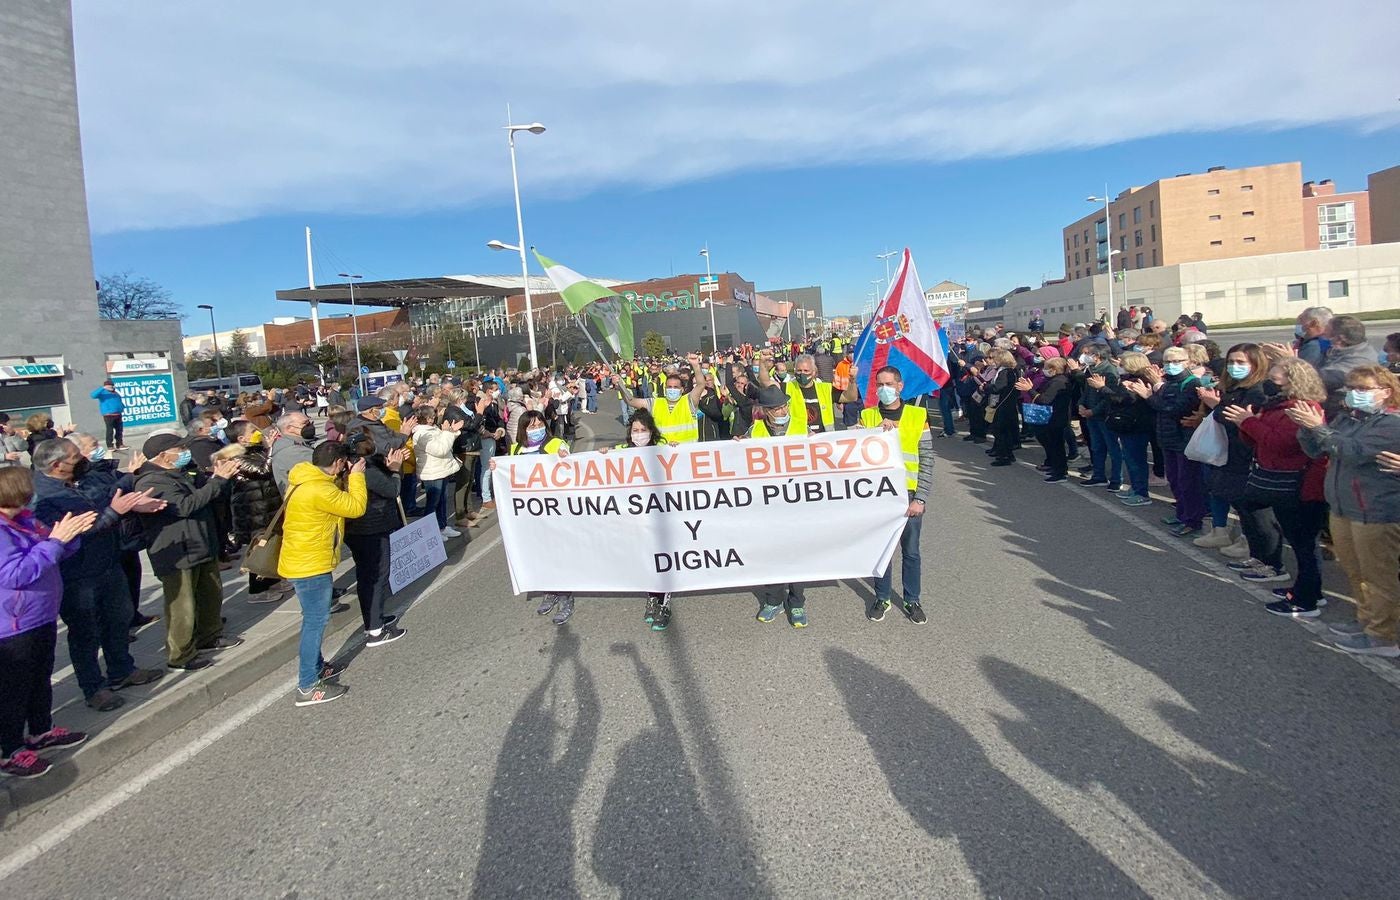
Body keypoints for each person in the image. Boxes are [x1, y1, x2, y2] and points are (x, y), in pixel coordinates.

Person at [31, 439, 168, 711]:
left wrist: (131, 498)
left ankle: (122, 670)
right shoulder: (44, 497)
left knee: (119, 619)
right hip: (77, 575)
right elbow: (74, 534)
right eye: (74, 456)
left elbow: (107, 497)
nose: (82, 457)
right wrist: (114, 513)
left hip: (108, 563)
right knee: (85, 633)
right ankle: (94, 688)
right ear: (57, 465)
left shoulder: (82, 480)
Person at [1292, 365, 1400, 656]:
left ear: (1385, 392)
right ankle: (1367, 621)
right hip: (1344, 507)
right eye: (1351, 388)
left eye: (1363, 389)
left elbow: (1351, 451)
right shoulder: (1350, 418)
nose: (1354, 394)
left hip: (1375, 511)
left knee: (1379, 577)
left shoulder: (1391, 424)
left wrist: (1319, 428)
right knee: (1356, 572)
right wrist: (1306, 427)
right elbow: (1319, 450)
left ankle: (1383, 636)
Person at [0, 467, 96, 778]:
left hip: (40, 616)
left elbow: (52, 550)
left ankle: (41, 731)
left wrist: (69, 537)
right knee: (13, 689)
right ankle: (9, 751)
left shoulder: (25, 519)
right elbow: (15, 574)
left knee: (40, 678)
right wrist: (55, 542)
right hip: (13, 626)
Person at [1224, 358, 1328, 616]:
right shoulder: (1276, 406)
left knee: (1304, 542)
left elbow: (1280, 442)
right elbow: (1257, 441)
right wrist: (1247, 423)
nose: (1270, 382)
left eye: (1276, 378)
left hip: (1298, 484)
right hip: (1278, 478)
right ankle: (1307, 588)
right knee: (1298, 538)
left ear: (1293, 382)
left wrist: (1249, 421)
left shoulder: (1301, 408)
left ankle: (1306, 599)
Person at [133, 433, 242, 671]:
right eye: (179, 448)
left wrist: (217, 477)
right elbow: (184, 506)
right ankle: (180, 655)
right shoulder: (151, 481)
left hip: (201, 543)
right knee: (182, 605)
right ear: (163, 455)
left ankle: (209, 635)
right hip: (178, 552)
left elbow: (206, 496)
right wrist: (217, 480)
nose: (185, 452)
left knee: (210, 593)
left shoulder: (180, 473)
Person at [278, 441, 367, 706]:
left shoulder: (304, 477)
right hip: (310, 563)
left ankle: (318, 667)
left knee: (313, 618)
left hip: (303, 558)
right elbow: (355, 508)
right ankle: (307, 685)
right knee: (315, 622)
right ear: (339, 464)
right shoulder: (319, 489)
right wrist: (357, 478)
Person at [859, 366, 932, 624]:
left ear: (900, 386)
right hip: (878, 497)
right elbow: (851, 451)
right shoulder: (867, 416)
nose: (883, 389)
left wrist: (920, 498)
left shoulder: (917, 415)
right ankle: (882, 596)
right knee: (882, 550)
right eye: (879, 384)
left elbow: (927, 459)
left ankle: (912, 600)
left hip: (909, 495)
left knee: (910, 551)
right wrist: (872, 433)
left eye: (888, 384)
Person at [741, 385, 813, 627]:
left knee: (798, 554)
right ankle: (773, 600)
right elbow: (740, 462)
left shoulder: (802, 428)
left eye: (783, 406)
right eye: (775, 408)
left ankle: (797, 602)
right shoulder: (756, 431)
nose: (781, 410)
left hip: (797, 504)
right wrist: (735, 448)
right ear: (765, 412)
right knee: (771, 553)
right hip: (768, 506)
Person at [599, 410, 675, 630]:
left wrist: (676, 450)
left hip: (659, 516)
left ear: (651, 432)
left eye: (643, 430)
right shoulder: (622, 452)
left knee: (662, 559)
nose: (639, 434)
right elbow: (599, 466)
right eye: (635, 430)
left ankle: (664, 602)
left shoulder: (661, 451)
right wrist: (604, 453)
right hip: (635, 518)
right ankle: (652, 596)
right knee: (646, 558)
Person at [495, 411, 574, 623]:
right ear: (523, 429)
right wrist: (496, 469)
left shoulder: (555, 443)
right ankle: (550, 590)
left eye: (539, 424)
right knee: (540, 552)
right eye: (531, 426)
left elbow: (568, 464)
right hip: (530, 513)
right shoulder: (516, 449)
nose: (536, 428)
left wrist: (564, 456)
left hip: (555, 509)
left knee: (558, 552)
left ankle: (566, 596)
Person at [1126, 346, 1204, 536]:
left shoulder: (1191, 383)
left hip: (1183, 439)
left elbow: (1174, 409)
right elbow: (1162, 408)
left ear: (1188, 362)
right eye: (1168, 361)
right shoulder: (1167, 382)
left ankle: (1192, 521)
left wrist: (1149, 397)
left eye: (1176, 361)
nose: (1171, 365)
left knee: (1188, 483)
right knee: (1175, 481)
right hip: (1167, 438)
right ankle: (1181, 514)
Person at [342, 432, 408, 646]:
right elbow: (392, 490)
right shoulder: (366, 469)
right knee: (376, 577)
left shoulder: (352, 466)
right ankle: (375, 630)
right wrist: (396, 471)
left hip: (358, 529)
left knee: (367, 576)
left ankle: (374, 618)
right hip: (371, 528)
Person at [221, 421, 293, 604]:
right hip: (253, 511)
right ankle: (257, 590)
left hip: (268, 507)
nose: (259, 433)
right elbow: (263, 470)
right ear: (241, 438)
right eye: (253, 431)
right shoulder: (234, 457)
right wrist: (271, 448)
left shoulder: (256, 450)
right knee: (259, 548)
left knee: (273, 544)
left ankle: (273, 579)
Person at [1103, 351, 1156, 506]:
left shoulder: (1140, 380)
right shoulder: (1127, 379)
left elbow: (1124, 400)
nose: (1119, 367)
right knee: (1131, 459)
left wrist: (1104, 389)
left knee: (1136, 460)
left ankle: (1142, 493)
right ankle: (1135, 488)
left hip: (1136, 425)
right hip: (1128, 425)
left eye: (1122, 364)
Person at [620, 353, 706, 444]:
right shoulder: (655, 403)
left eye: (675, 387)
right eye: (669, 387)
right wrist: (620, 385)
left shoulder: (689, 401)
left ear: (682, 389)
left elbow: (700, 385)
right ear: (665, 388)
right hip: (663, 455)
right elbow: (631, 401)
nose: (672, 389)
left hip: (686, 453)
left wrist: (696, 366)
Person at [1070, 345, 1121, 488]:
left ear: (1097, 355)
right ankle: (1099, 475)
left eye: (1087, 353)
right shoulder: (1091, 369)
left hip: (1104, 416)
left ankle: (1116, 479)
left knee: (1113, 448)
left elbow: (1109, 396)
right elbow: (1086, 391)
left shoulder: (1109, 371)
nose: (1083, 357)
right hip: (1091, 415)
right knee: (1096, 447)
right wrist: (1081, 404)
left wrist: (1094, 411)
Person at [1017, 357, 1073, 482]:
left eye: (1047, 368)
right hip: (1052, 417)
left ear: (1054, 369)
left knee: (1057, 445)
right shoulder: (1053, 380)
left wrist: (1029, 390)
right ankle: (1054, 466)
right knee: (1052, 443)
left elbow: (1044, 400)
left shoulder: (1058, 381)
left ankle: (1060, 472)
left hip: (1056, 417)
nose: (1044, 370)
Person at [412, 407, 465, 539]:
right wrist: (448, 432)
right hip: (432, 472)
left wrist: (451, 431)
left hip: (442, 469)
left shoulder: (433, 429)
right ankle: (430, 531)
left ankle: (442, 526)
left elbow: (444, 441)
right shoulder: (421, 434)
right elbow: (440, 449)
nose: (435, 418)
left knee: (442, 500)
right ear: (428, 418)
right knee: (432, 503)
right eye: (433, 416)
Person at [757, 351, 835, 435]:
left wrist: (851, 380)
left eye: (806, 370)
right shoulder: (787, 387)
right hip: (798, 438)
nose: (802, 374)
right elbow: (765, 382)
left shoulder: (826, 389)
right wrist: (762, 364)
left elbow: (849, 396)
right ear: (794, 371)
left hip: (823, 439)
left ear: (813, 372)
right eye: (799, 370)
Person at [269, 411, 317, 493]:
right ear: (289, 428)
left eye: (310, 422)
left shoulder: (295, 443)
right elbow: (327, 468)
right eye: (305, 423)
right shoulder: (292, 451)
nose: (311, 426)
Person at [90, 379, 127, 451]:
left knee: (119, 430)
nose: (111, 387)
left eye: (112, 386)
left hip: (118, 414)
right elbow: (93, 395)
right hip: (108, 415)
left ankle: (120, 444)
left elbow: (119, 401)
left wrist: (122, 408)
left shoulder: (115, 393)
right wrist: (103, 388)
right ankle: (110, 446)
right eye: (109, 386)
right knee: (110, 430)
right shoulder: (102, 393)